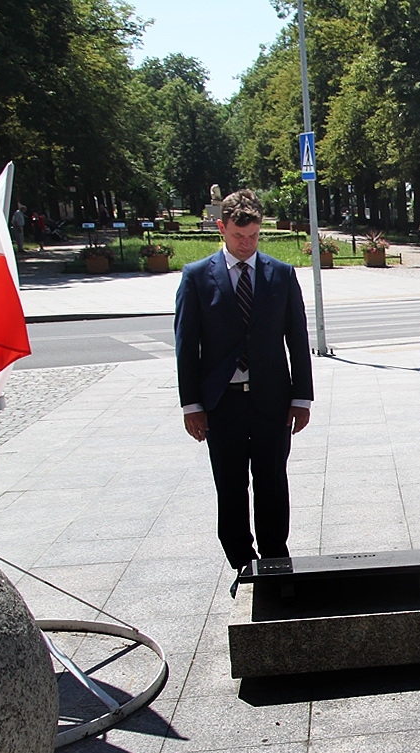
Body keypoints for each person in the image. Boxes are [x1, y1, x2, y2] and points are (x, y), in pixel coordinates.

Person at [174, 189, 314, 571]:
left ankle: (274, 556)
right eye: (238, 237)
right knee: (231, 483)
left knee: (271, 480)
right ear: (222, 228)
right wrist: (192, 406)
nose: (246, 244)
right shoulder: (197, 277)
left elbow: (297, 339)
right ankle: (240, 559)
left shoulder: (281, 275)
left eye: (253, 237)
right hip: (223, 402)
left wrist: (301, 398)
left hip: (272, 399)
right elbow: (186, 346)